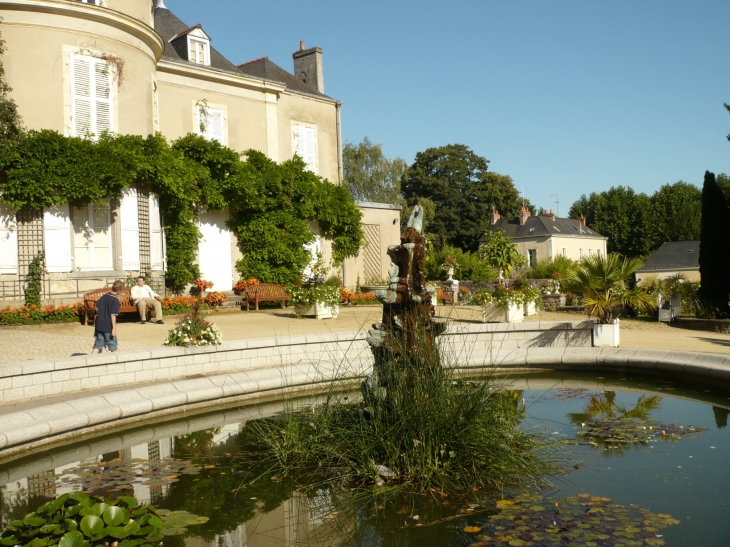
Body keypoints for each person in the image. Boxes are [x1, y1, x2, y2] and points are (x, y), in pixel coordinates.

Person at [91, 280, 124, 354]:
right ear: (118, 290)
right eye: (121, 291)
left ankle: (90, 361)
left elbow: (97, 308)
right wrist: (114, 329)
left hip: (99, 325)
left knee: (98, 345)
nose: (121, 293)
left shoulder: (104, 296)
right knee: (112, 346)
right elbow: (113, 315)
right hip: (108, 326)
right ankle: (117, 362)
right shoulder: (115, 300)